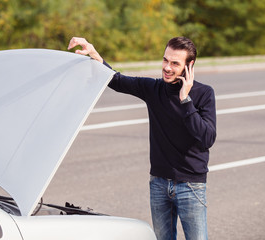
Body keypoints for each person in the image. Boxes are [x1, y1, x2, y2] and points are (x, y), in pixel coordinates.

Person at [68, 36, 216, 240]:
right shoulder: (154, 89)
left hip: (191, 185)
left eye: (175, 63)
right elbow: (117, 80)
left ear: (190, 65)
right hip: (159, 183)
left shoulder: (204, 94)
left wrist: (185, 100)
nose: (167, 67)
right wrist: (95, 55)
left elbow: (207, 138)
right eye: (165, 60)